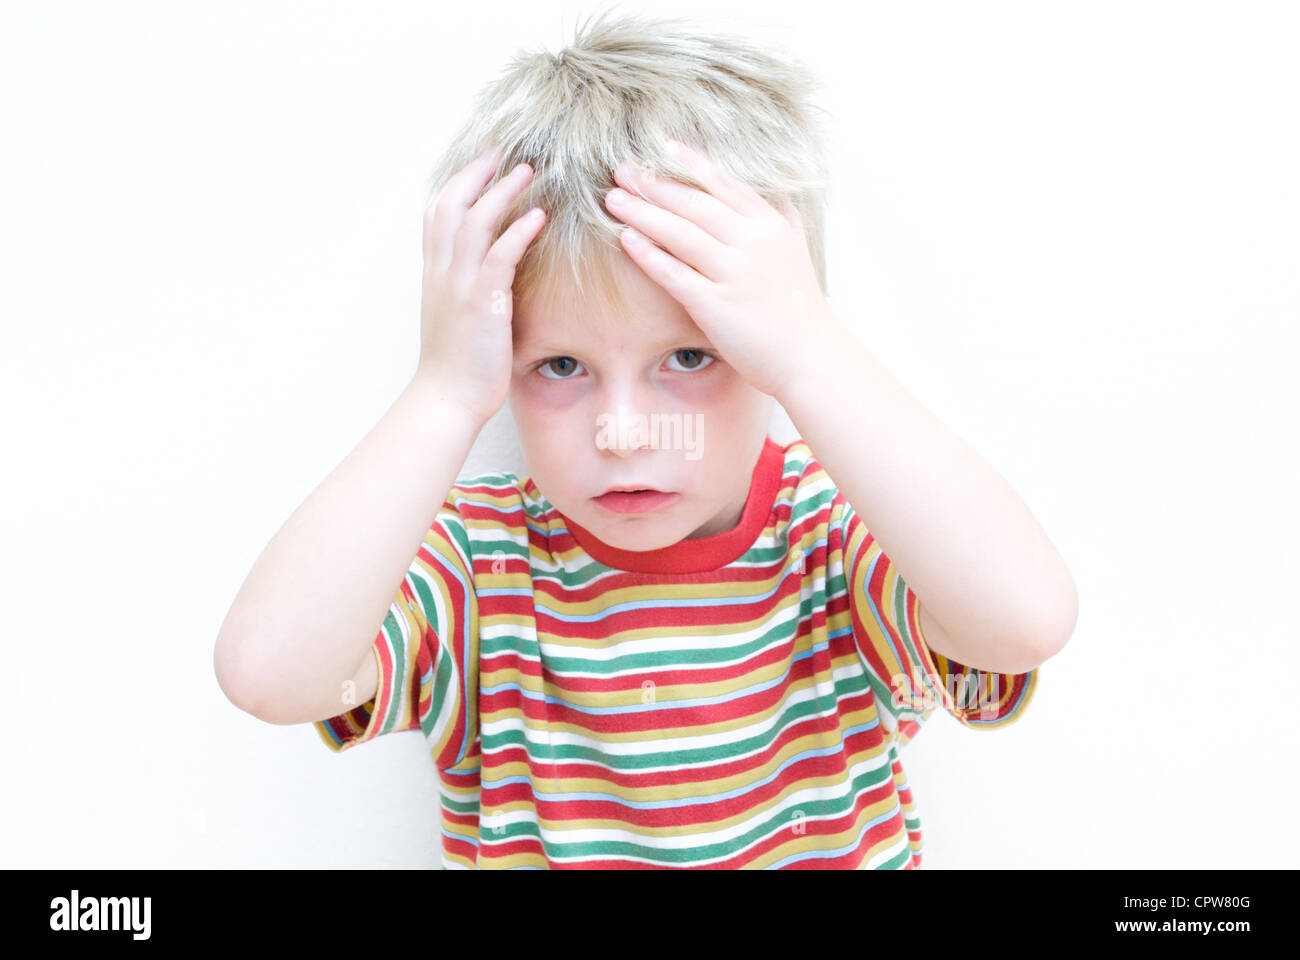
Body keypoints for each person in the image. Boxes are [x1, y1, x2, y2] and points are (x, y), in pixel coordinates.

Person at [214, 10, 1077, 869]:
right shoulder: (483, 566)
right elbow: (270, 676)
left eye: (690, 355)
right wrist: (441, 393)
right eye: (559, 366)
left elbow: (1024, 622)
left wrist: (815, 356)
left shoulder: (838, 536)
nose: (622, 434)